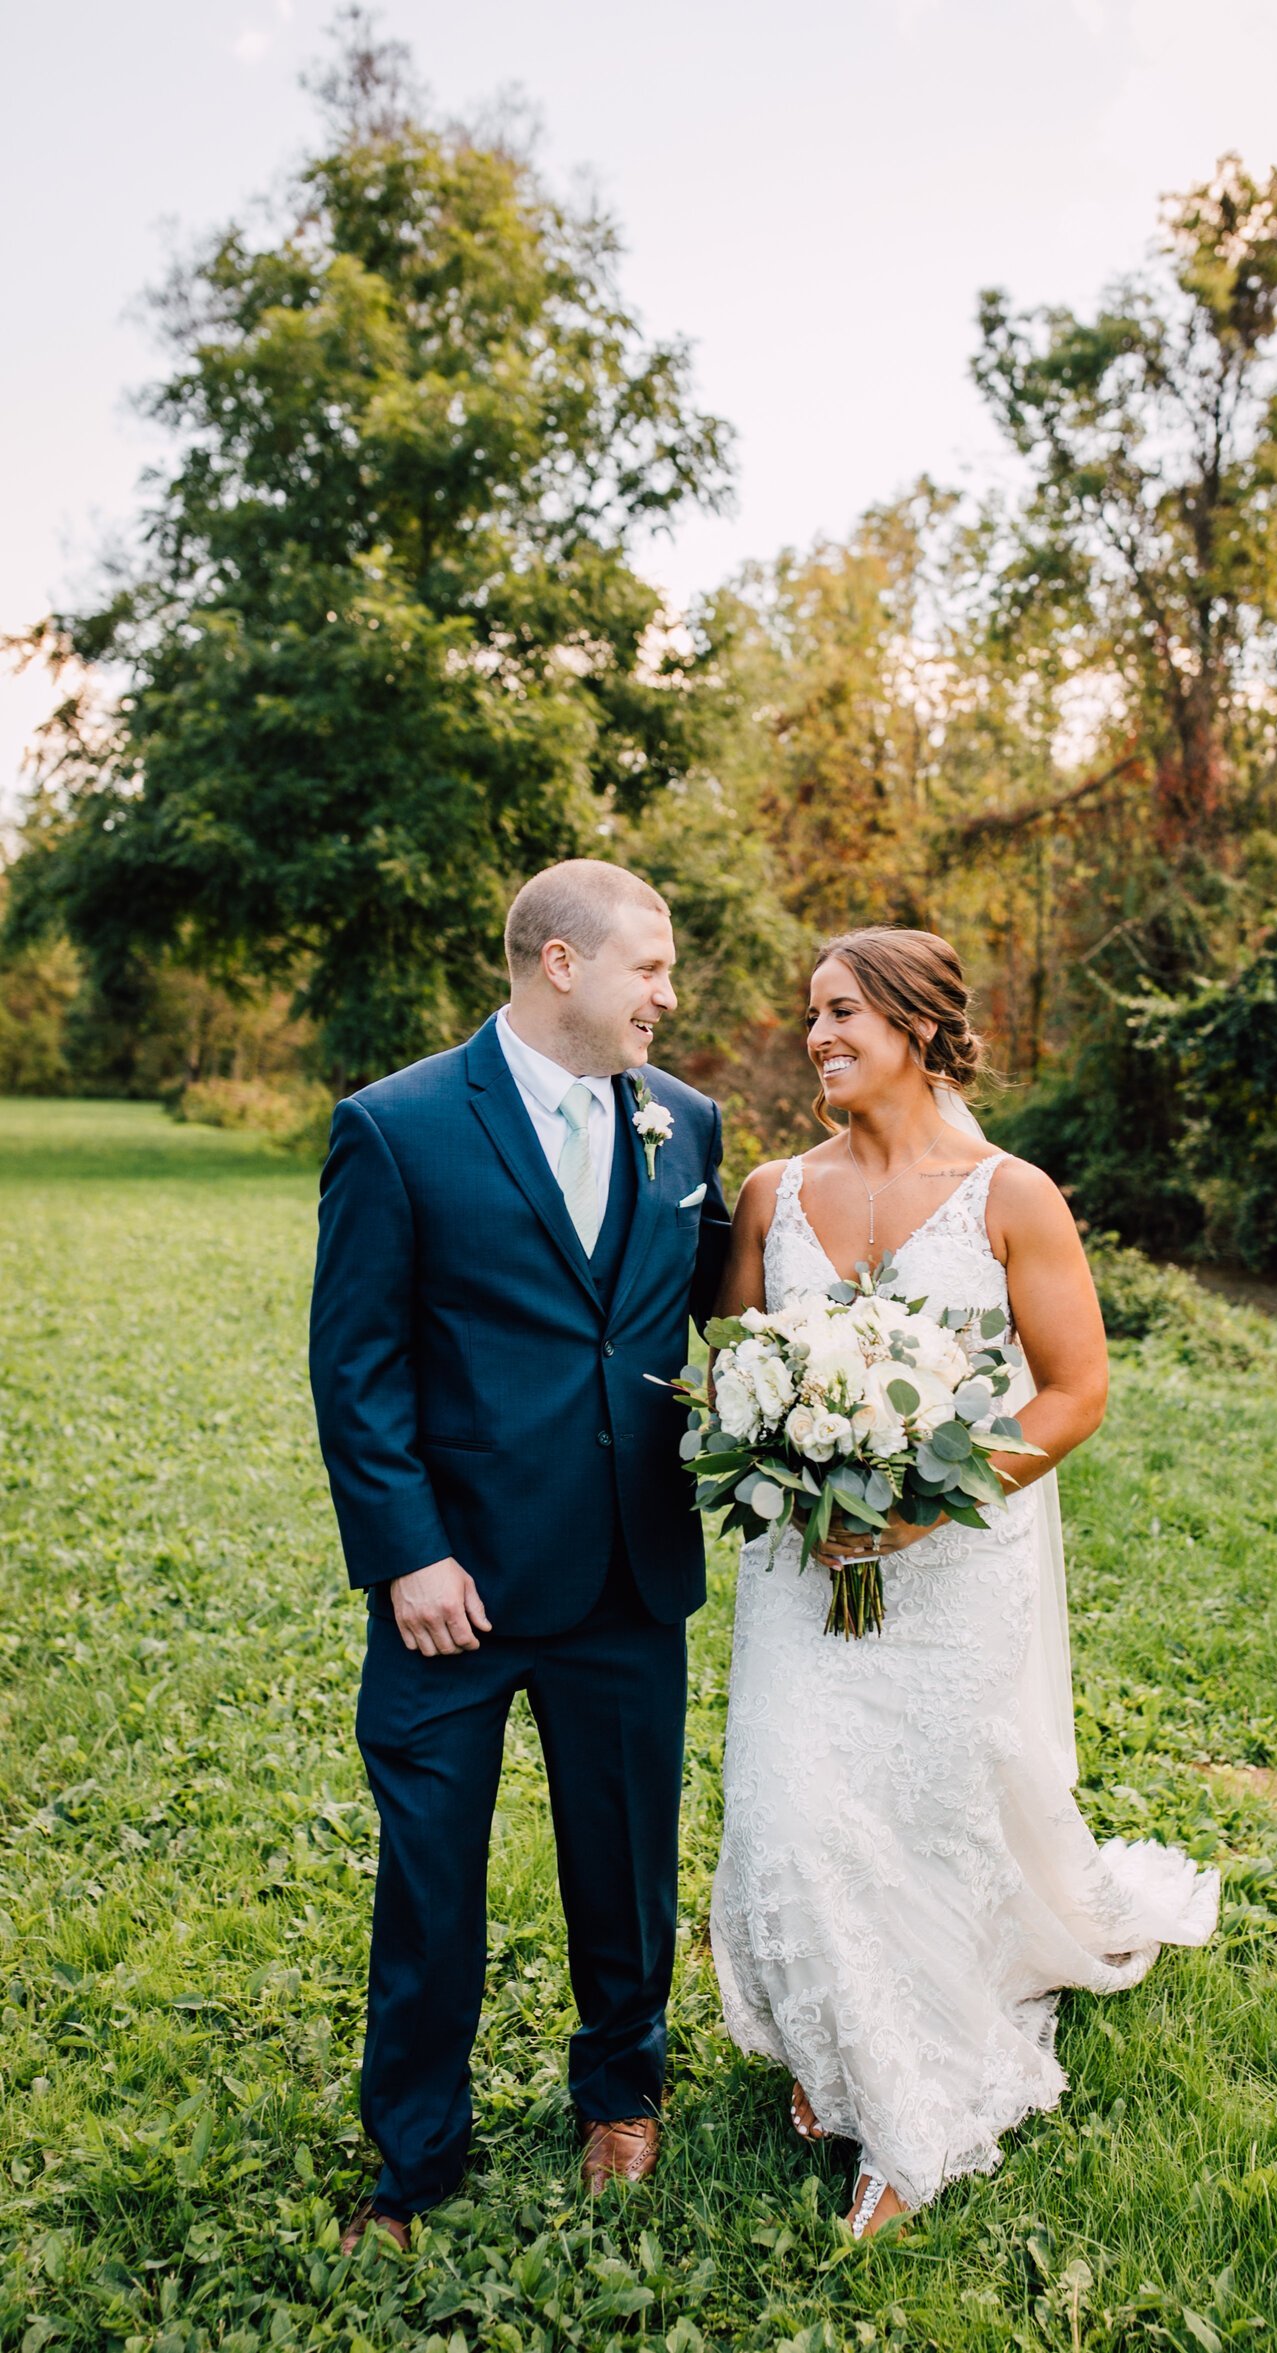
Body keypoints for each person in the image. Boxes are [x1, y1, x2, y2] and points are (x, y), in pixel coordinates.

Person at [708, 926, 1219, 2239]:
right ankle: (835, 2047)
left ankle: (907, 2105)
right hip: (800, 1571)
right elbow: (733, 1363)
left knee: (918, 1825)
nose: (816, 1036)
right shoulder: (769, 1192)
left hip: (949, 1572)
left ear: (919, 1024)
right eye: (809, 1015)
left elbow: (1075, 1388)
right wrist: (788, 1444)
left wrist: (923, 1502)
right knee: (789, 1816)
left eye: (841, 1014)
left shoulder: (1010, 1193)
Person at [309, 860, 729, 2250]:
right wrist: (406, 1555)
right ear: (561, 963)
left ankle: (621, 2089)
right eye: (650, 968)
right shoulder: (399, 1125)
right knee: (431, 1877)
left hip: (626, 1568)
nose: (668, 996)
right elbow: (357, 1366)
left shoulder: (688, 1125)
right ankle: (414, 2152)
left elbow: (712, 1310)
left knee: (625, 1859)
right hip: (457, 1589)